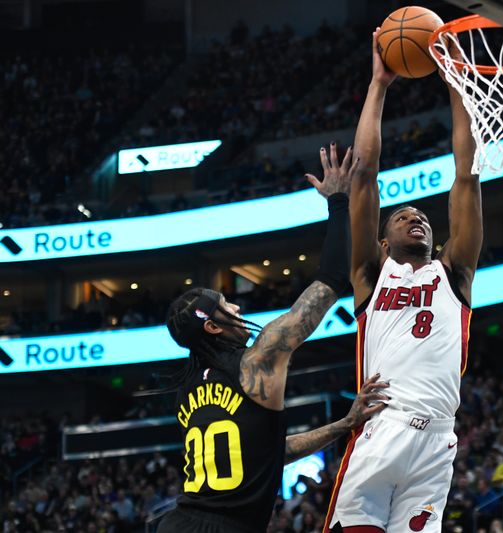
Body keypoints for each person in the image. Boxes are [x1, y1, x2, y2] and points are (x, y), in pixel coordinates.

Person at [156, 146, 390, 533]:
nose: (236, 309)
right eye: (225, 306)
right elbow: (332, 279)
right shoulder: (258, 359)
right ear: (212, 327)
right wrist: (337, 201)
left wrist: (343, 424)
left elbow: (266, 454)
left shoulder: (186, 393)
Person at [324, 29, 483, 533]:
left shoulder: (453, 271)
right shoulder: (371, 273)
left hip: (437, 442)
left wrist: (456, 81)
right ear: (384, 241)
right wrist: (378, 85)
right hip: (380, 430)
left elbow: (467, 172)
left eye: (422, 218)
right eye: (402, 217)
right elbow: (365, 176)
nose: (416, 218)